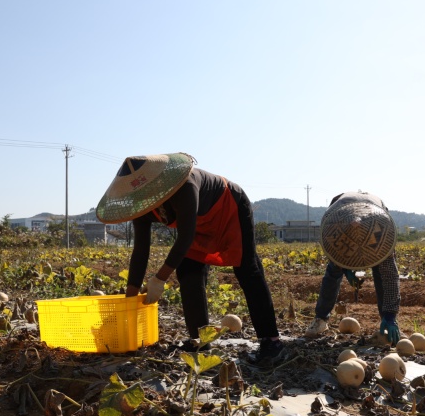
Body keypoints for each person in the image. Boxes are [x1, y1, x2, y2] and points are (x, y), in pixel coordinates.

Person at [95, 153, 284, 365]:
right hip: (197, 225)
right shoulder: (141, 207)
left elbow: (185, 238)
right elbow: (140, 251)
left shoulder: (184, 186)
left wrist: (159, 279)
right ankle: (201, 341)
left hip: (229, 207)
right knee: (187, 271)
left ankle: (271, 341)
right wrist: (129, 303)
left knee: (247, 270)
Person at [304, 191, 401, 345]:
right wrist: (345, 269)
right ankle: (321, 319)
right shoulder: (333, 225)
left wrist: (391, 314)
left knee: (382, 271)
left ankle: (387, 320)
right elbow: (334, 253)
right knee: (333, 272)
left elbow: (391, 277)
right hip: (341, 223)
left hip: (374, 220)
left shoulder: (382, 231)